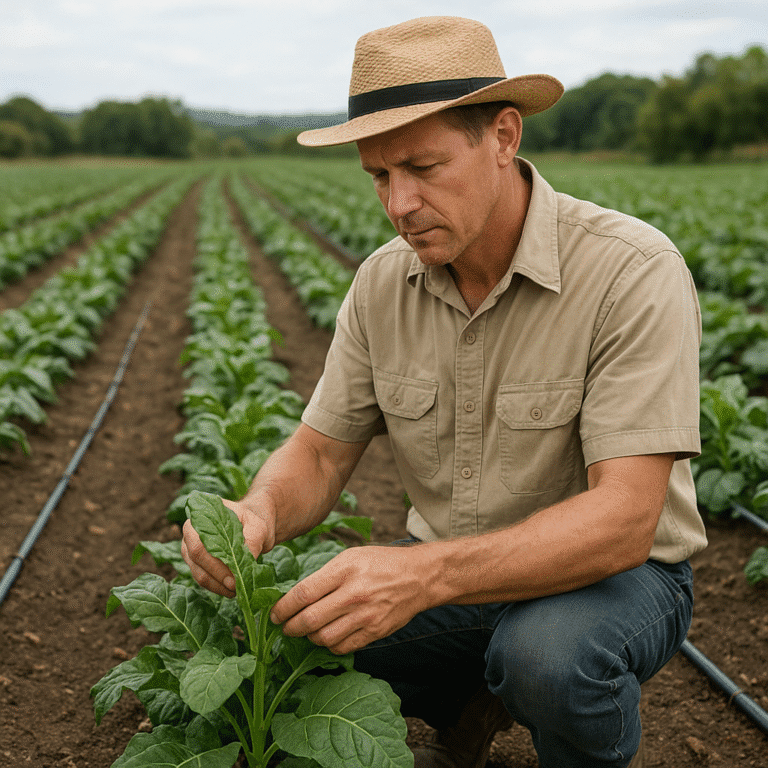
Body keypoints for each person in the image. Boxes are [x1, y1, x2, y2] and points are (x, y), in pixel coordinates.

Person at [181, 15, 707, 768]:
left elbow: (624, 520)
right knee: (286, 656)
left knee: (547, 658)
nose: (399, 204)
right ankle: (467, 706)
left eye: (423, 167)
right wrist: (257, 510)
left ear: (502, 136)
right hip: (451, 581)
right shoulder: (381, 284)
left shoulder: (631, 270)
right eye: (379, 176)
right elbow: (322, 457)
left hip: (617, 579)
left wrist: (420, 574)